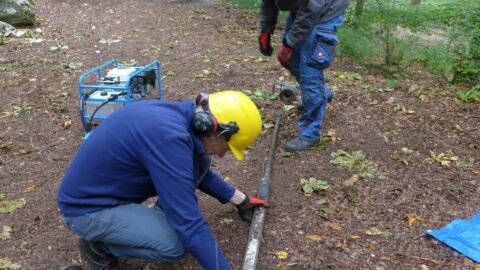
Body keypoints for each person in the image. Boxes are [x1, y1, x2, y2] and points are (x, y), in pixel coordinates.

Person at [57, 90, 268, 270]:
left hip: (110, 192)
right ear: (211, 129)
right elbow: (190, 225)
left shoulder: (181, 119)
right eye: (227, 147)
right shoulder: (169, 140)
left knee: (202, 160)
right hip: (87, 209)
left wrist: (240, 199)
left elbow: (193, 171)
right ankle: (98, 247)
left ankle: (145, 224)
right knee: (175, 245)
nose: (223, 154)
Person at [257, 0, 349, 152]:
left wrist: (290, 43)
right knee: (292, 61)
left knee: (310, 69)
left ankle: (310, 133)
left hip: (323, 11)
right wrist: (266, 30)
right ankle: (321, 93)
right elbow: (268, 2)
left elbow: (313, 8)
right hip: (302, 7)